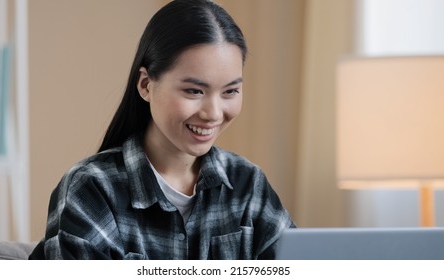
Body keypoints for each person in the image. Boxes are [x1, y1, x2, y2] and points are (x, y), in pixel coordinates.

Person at [30, 0, 296, 260]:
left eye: (230, 91)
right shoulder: (92, 189)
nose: (213, 113)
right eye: (194, 91)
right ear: (146, 85)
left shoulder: (248, 185)